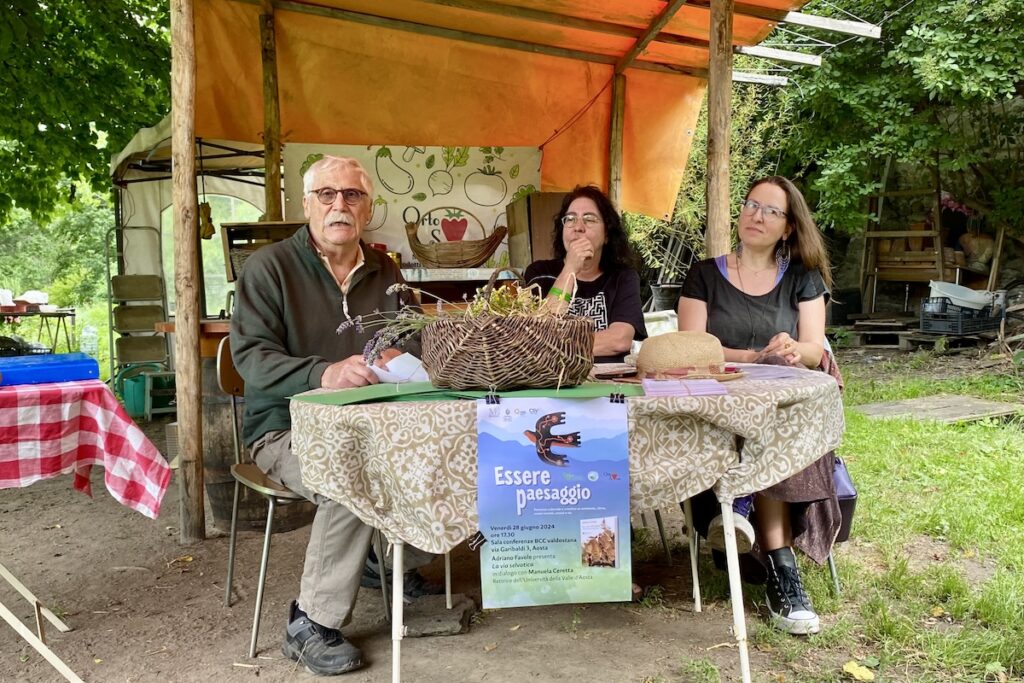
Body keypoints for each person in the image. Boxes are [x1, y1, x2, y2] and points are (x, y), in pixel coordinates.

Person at [230, 155, 437, 675]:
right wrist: (322, 373)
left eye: (352, 195)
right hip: (284, 428)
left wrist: (398, 351)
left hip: (372, 421)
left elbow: (407, 332)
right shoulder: (269, 267)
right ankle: (310, 623)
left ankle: (384, 563)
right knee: (349, 473)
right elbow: (249, 357)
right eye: (327, 194)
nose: (339, 205)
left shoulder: (384, 269)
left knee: (433, 446)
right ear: (308, 205)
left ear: (367, 208)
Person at [677, 175, 840, 636]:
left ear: (789, 227)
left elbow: (814, 349)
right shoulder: (705, 273)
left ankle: (745, 522)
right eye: (751, 205)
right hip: (716, 400)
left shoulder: (803, 278)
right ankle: (775, 563)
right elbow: (693, 346)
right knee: (750, 431)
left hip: (780, 402)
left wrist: (791, 349)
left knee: (772, 429)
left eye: (771, 210)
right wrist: (751, 357)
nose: (757, 215)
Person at [524, 185, 647, 362]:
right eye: (570, 219)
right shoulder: (539, 273)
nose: (578, 227)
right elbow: (543, 330)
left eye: (589, 219)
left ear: (606, 235)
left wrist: (556, 345)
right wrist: (570, 268)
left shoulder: (623, 277)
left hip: (607, 384)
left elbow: (619, 340)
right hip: (553, 383)